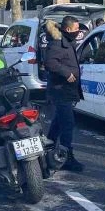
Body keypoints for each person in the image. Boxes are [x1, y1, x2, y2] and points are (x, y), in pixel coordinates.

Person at [43, 16, 84, 172]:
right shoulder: (58, 43)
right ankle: (66, 157)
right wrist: (66, 73)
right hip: (61, 91)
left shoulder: (67, 42)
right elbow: (50, 63)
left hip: (67, 90)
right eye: (76, 29)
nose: (78, 32)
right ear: (67, 29)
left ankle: (48, 148)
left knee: (59, 122)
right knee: (68, 124)